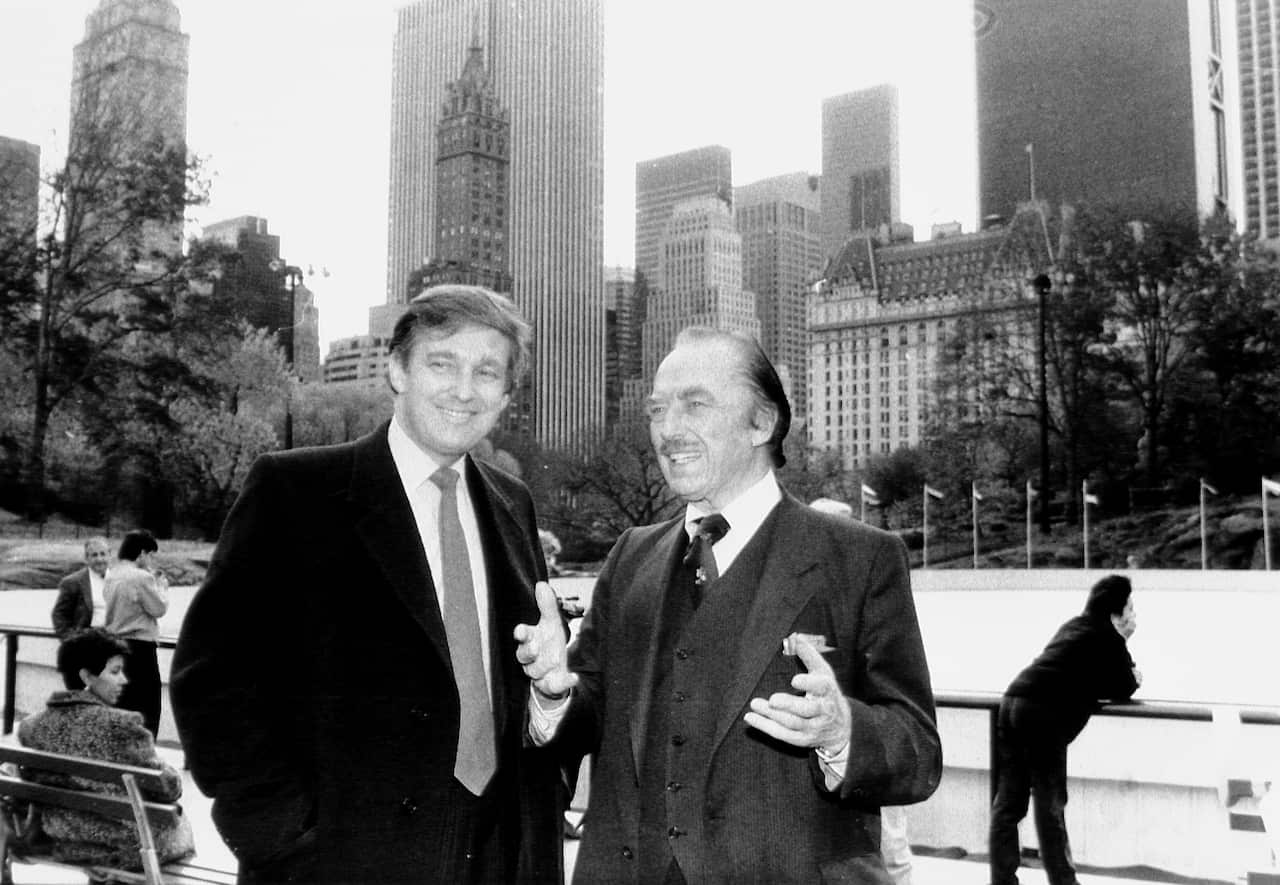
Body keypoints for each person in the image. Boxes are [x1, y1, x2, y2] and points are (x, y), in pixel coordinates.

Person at [170, 285, 565, 884]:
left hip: (494, 857)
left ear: (507, 394)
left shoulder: (514, 504)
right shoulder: (296, 492)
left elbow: (521, 682)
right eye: (442, 363)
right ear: (398, 370)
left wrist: (549, 701)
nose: (464, 389)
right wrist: (285, 842)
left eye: (487, 372)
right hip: (341, 861)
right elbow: (213, 685)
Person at [517, 327, 941, 883]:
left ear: (761, 422)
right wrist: (552, 695)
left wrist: (841, 733)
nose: (668, 430)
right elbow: (590, 712)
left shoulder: (861, 559)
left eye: (695, 404)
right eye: (657, 410)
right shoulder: (630, 556)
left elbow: (918, 749)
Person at [989, 574, 1141, 885]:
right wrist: (1125, 648)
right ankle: (1064, 881)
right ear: (1116, 615)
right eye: (1131, 610)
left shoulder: (1074, 625)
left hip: (1012, 701)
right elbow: (1125, 684)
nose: (1134, 618)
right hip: (1043, 715)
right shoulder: (1107, 637)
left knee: (1009, 802)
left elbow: (1084, 672)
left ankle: (1002, 881)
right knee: (1050, 803)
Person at [17, 628, 194, 871]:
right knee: (178, 822)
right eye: (115, 671)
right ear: (87, 677)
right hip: (127, 845)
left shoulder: (30, 726)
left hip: (63, 838)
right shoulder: (123, 724)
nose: (124, 680)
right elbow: (168, 787)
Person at [808, 498, 915, 885]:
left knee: (892, 848)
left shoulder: (874, 597)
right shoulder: (799, 601)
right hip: (821, 771)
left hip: (866, 751)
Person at [103, 529, 169, 738]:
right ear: (141, 553)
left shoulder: (111, 574)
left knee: (120, 702)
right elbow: (158, 609)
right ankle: (144, 758)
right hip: (140, 648)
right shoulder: (142, 577)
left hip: (114, 645)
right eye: (151, 555)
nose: (151, 560)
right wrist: (162, 586)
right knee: (147, 706)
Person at [51, 536, 111, 641]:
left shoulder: (120, 580)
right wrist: (71, 640)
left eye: (103, 554)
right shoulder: (72, 582)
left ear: (109, 555)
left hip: (115, 640)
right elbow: (59, 615)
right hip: (86, 641)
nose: (99, 559)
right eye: (94, 555)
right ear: (86, 558)